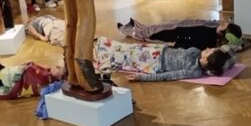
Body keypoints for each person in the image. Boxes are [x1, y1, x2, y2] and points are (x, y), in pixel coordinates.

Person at [93, 37, 234, 82]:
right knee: (127, 47)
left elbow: (169, 75)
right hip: (158, 50)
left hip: (153, 62)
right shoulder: (197, 52)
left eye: (209, 51)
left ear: (206, 61)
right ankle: (100, 44)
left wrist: (141, 78)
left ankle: (97, 54)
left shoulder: (194, 70)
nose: (208, 48)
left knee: (124, 56)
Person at [117, 17, 247, 51]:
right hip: (179, 26)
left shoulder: (209, 39)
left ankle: (127, 30)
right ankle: (136, 26)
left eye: (224, 25)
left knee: (150, 33)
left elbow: (191, 43)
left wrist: (175, 45)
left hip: (174, 34)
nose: (223, 23)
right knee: (154, 27)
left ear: (223, 32)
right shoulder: (214, 28)